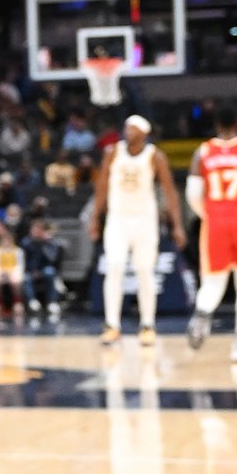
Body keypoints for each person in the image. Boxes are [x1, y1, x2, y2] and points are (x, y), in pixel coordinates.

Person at [91, 115, 186, 347]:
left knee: (145, 271)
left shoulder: (155, 156)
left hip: (145, 219)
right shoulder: (113, 152)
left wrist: (177, 225)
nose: (128, 131)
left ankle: (147, 325)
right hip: (118, 218)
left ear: (145, 132)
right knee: (114, 268)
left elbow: (170, 191)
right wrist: (95, 216)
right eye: (127, 127)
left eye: (133, 128)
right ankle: (112, 325)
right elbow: (102, 185)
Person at [185, 106, 237, 363]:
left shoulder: (203, 152)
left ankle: (203, 310)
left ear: (216, 125)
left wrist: (209, 215)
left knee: (213, 282)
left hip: (216, 221)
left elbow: (193, 195)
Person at [21, 219, 64, 320]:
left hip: (44, 269)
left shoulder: (49, 242)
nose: (35, 232)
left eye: (38, 230)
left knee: (50, 272)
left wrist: (45, 243)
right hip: (30, 270)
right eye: (34, 229)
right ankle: (32, 302)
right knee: (26, 277)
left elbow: (52, 259)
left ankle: (52, 302)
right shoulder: (26, 243)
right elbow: (22, 260)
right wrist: (32, 270)